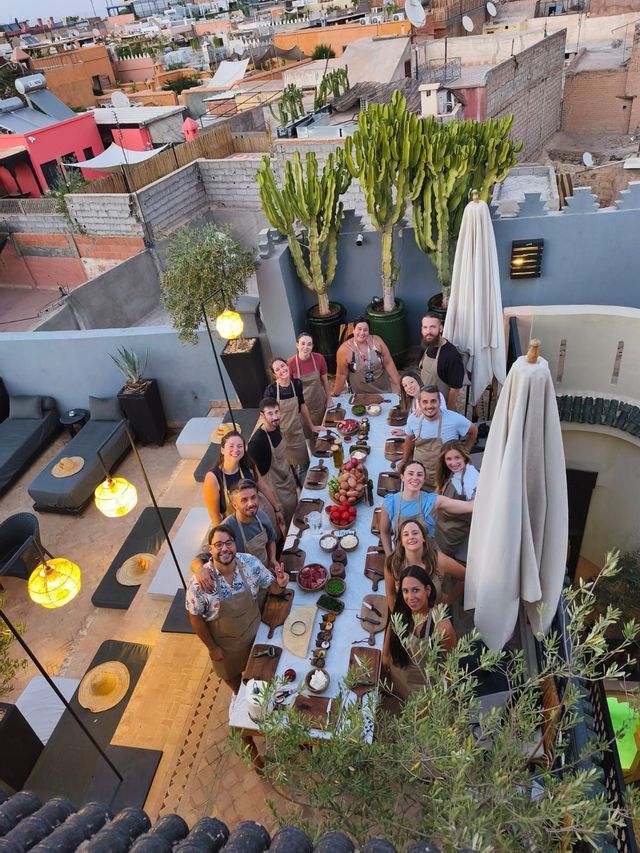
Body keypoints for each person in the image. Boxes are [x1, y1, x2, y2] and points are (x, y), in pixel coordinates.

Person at [186, 524, 289, 694]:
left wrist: (280, 583)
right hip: (226, 646)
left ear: (235, 545)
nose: (224, 549)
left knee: (263, 673)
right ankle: (238, 693)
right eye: (218, 545)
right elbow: (195, 619)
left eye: (229, 543)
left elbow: (272, 587)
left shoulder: (250, 563)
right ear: (210, 549)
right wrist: (213, 648)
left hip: (256, 634)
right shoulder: (199, 584)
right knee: (231, 675)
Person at [383, 565, 456, 701]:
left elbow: (451, 665)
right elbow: (392, 625)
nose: (410, 597)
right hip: (401, 673)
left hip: (426, 687)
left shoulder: (442, 626)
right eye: (405, 591)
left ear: (427, 590)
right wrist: (386, 655)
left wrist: (440, 696)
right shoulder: (403, 610)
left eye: (415, 590)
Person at [379, 458, 473, 551]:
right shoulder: (389, 503)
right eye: (410, 473)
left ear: (424, 480)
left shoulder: (433, 501)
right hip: (401, 557)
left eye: (419, 475)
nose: (415, 478)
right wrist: (389, 556)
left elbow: (469, 506)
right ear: (402, 477)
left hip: (428, 557)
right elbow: (384, 532)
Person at [203, 430, 284, 534]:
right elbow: (214, 514)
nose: (236, 450)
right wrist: (225, 536)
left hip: (258, 517)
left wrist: (277, 510)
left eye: (239, 446)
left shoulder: (248, 465)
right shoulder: (213, 478)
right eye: (231, 446)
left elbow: (263, 487)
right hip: (236, 527)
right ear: (222, 450)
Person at [401, 385, 477, 491]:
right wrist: (404, 461)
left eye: (433, 401)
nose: (429, 406)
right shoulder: (413, 419)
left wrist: (465, 454)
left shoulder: (454, 419)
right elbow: (409, 439)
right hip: (420, 477)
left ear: (440, 402)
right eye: (425, 402)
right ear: (419, 403)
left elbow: (473, 431)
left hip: (445, 478)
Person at [384, 518, 466, 613]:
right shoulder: (393, 562)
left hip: (434, 615)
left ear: (423, 538)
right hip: (407, 616)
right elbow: (390, 594)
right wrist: (398, 618)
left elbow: (465, 577)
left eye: (415, 533)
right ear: (401, 541)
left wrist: (449, 600)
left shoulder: (438, 560)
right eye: (406, 534)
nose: (411, 537)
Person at [264, 357, 320, 482]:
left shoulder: (297, 384)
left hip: (296, 431)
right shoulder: (271, 390)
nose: (282, 370)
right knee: (288, 468)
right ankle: (297, 488)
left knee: (304, 463)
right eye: (277, 369)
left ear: (288, 366)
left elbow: (302, 405)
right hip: (280, 435)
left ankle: (306, 489)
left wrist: (311, 426)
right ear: (274, 374)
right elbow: (266, 416)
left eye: (283, 366)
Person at [248, 397, 298, 528]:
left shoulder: (276, 427)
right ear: (262, 415)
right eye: (270, 413)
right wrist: (274, 506)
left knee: (296, 514)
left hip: (287, 480)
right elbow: (253, 476)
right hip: (275, 490)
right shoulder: (256, 443)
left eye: (277, 412)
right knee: (285, 524)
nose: (275, 417)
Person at [332, 317, 401, 397]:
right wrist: (336, 393)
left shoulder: (377, 341)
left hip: (383, 391)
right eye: (359, 329)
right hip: (359, 395)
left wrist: (398, 384)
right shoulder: (344, 350)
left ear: (369, 332)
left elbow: (388, 362)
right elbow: (341, 374)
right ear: (353, 330)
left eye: (365, 330)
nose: (362, 333)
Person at [435, 440, 480, 558]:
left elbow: (477, 506)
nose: (453, 463)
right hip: (441, 527)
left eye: (457, 458)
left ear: (464, 457)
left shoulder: (471, 477)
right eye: (448, 459)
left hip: (453, 533)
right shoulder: (451, 473)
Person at [418, 313, 465, 410]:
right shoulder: (426, 345)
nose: (428, 331)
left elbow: (455, 389)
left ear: (441, 328)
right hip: (424, 406)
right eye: (425, 327)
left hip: (440, 410)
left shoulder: (451, 355)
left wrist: (447, 412)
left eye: (432, 327)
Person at [288, 333, 330, 438]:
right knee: (309, 436)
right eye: (303, 344)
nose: (306, 347)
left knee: (325, 433)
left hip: (320, 403)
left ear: (312, 346)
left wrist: (329, 399)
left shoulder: (319, 358)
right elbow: (289, 388)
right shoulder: (290, 363)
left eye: (309, 344)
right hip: (303, 407)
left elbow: (325, 381)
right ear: (297, 345)